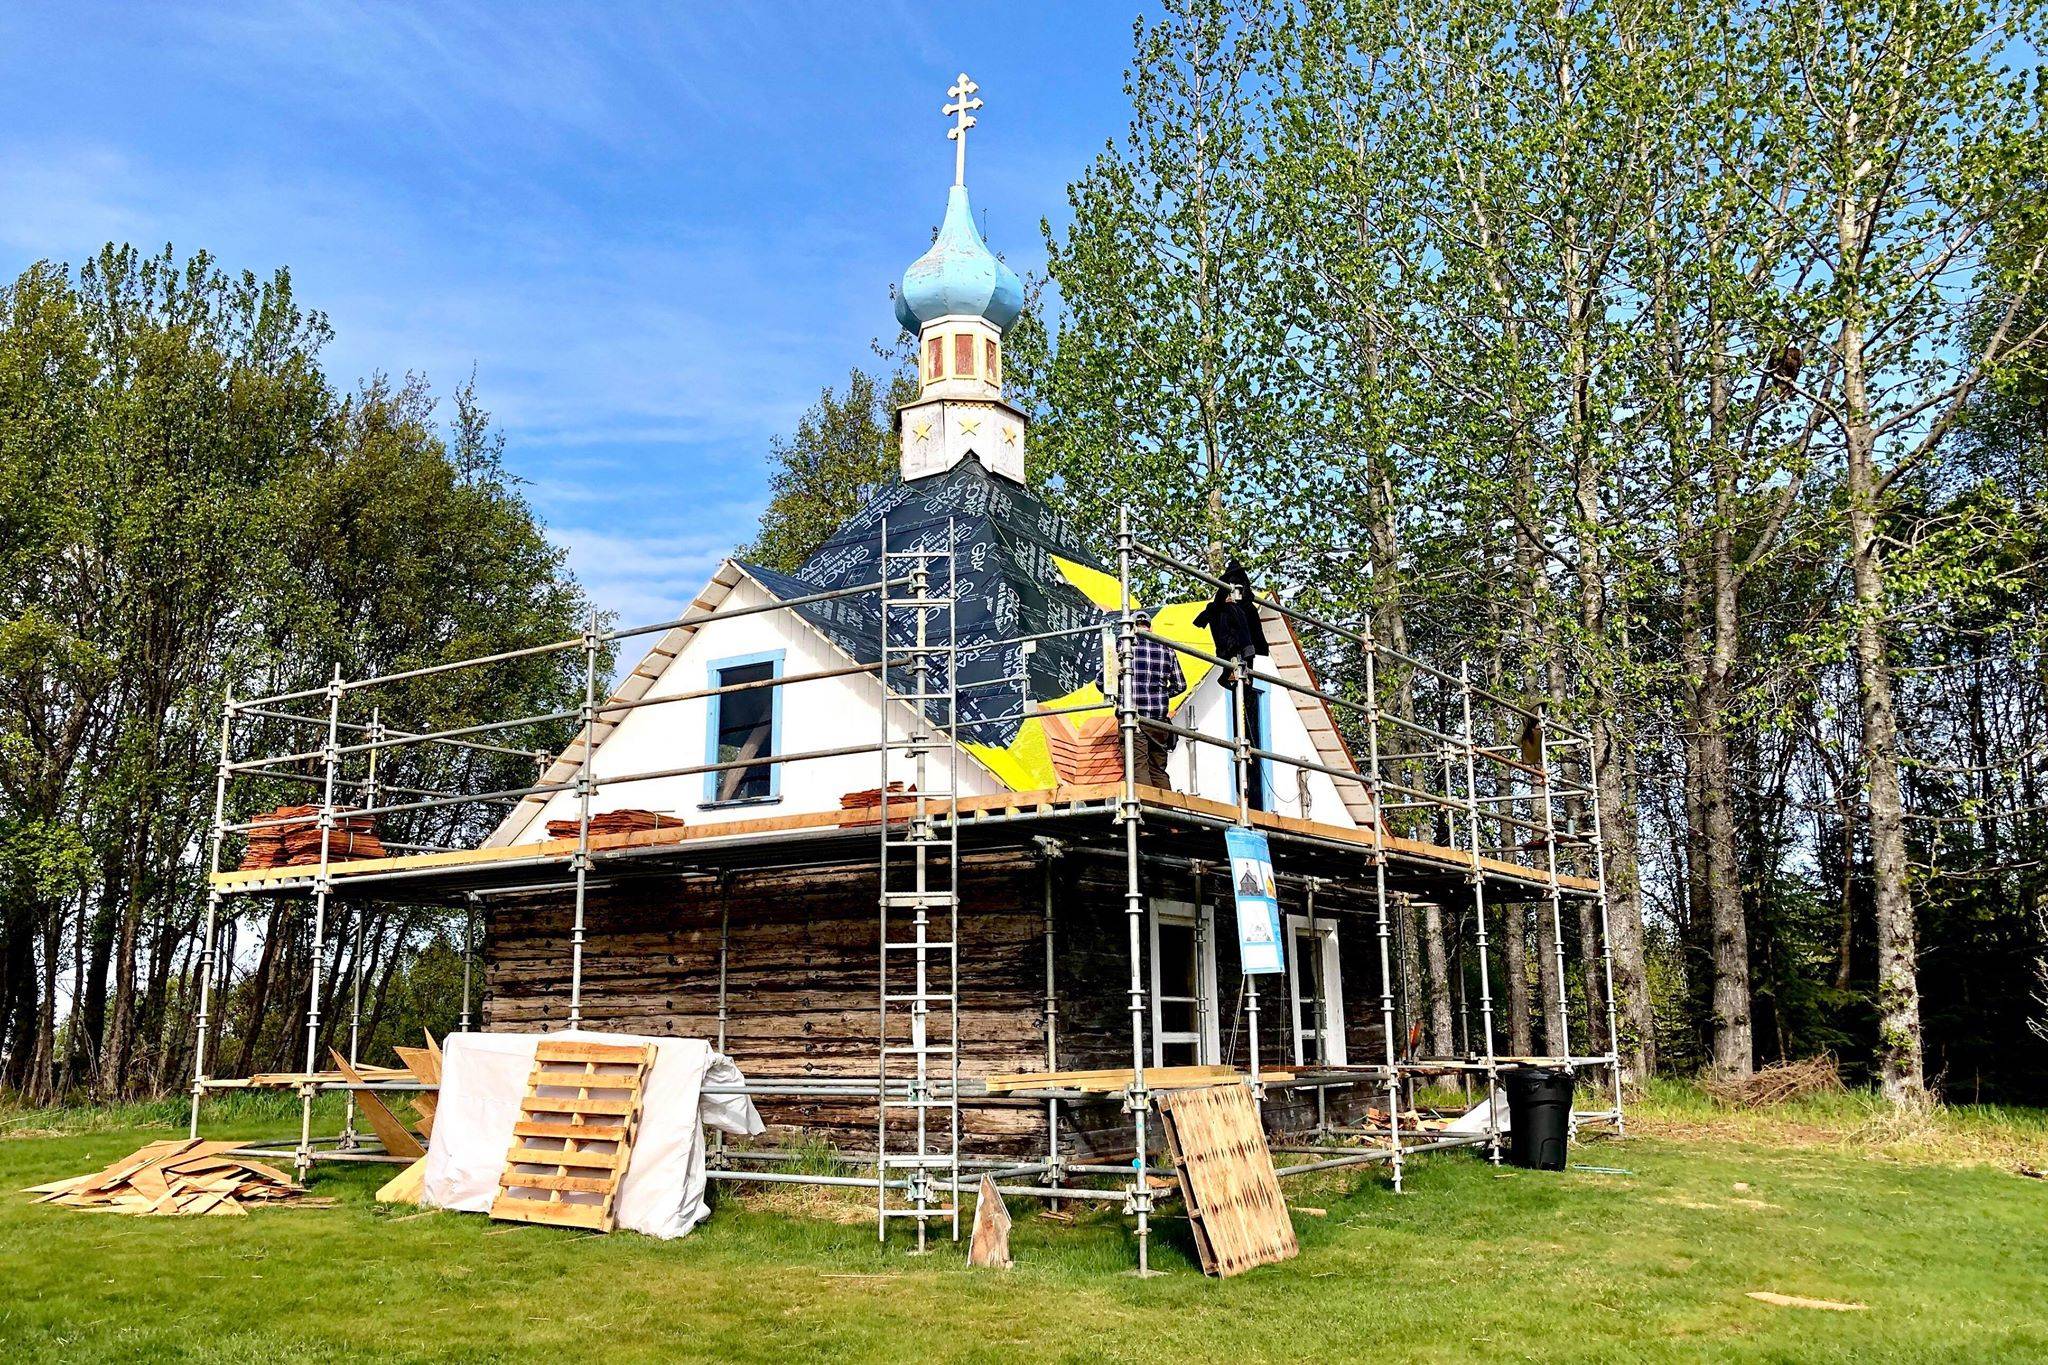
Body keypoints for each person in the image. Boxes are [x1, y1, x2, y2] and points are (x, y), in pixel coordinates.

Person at [1108, 607, 1185, 789]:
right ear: (1150, 627)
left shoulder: (1122, 647)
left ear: (1132, 627)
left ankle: (1145, 813)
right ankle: (1166, 814)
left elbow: (1103, 681)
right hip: (1158, 721)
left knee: (1138, 767)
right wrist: (1160, 694)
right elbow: (1180, 685)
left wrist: (1122, 691)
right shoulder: (1166, 648)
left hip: (1132, 717)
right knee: (1158, 769)